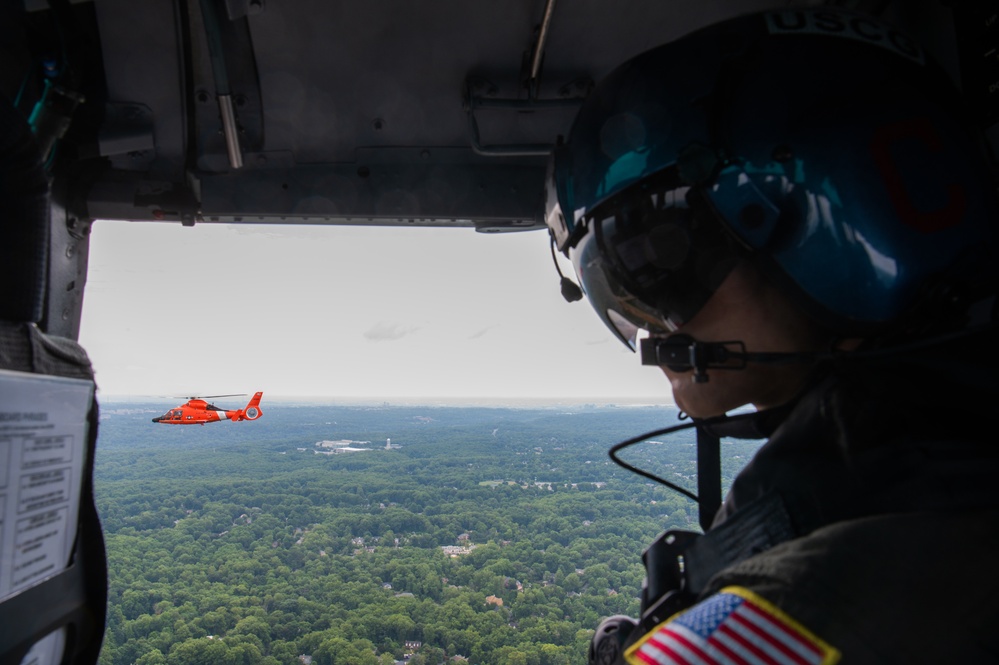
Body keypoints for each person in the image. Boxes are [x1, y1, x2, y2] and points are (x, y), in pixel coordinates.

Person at [544, 8, 999, 664]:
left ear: (839, 218)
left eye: (653, 263)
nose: (649, 327)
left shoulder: (800, 604)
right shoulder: (943, 477)